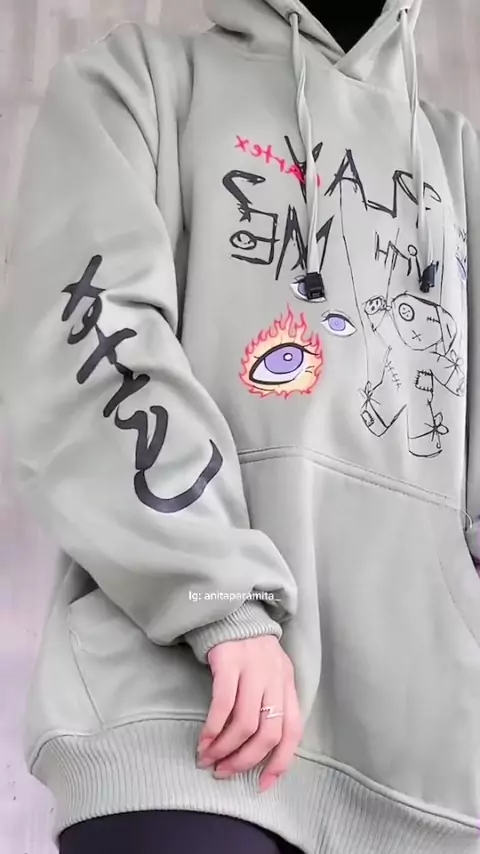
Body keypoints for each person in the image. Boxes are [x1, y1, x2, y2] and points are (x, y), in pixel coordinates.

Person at [2, 0, 480, 852]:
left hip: (423, 775)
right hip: (184, 718)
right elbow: (92, 344)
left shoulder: (459, 159)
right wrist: (222, 602)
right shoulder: (140, 82)